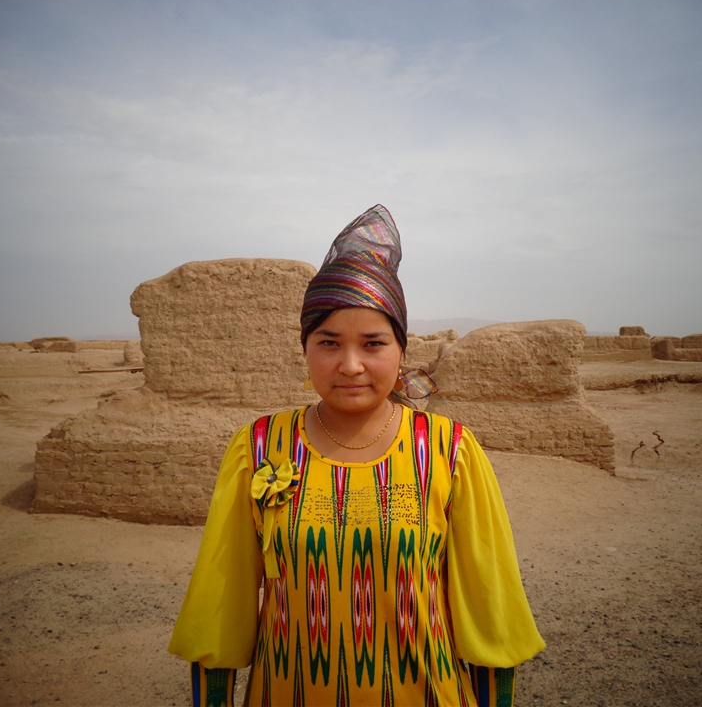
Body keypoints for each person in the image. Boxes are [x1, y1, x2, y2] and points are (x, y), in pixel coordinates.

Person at [168, 205, 545, 706]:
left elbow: (490, 607)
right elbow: (221, 606)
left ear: (401, 351)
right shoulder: (259, 446)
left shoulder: (449, 451)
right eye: (329, 343)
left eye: (373, 343)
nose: (350, 365)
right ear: (306, 350)